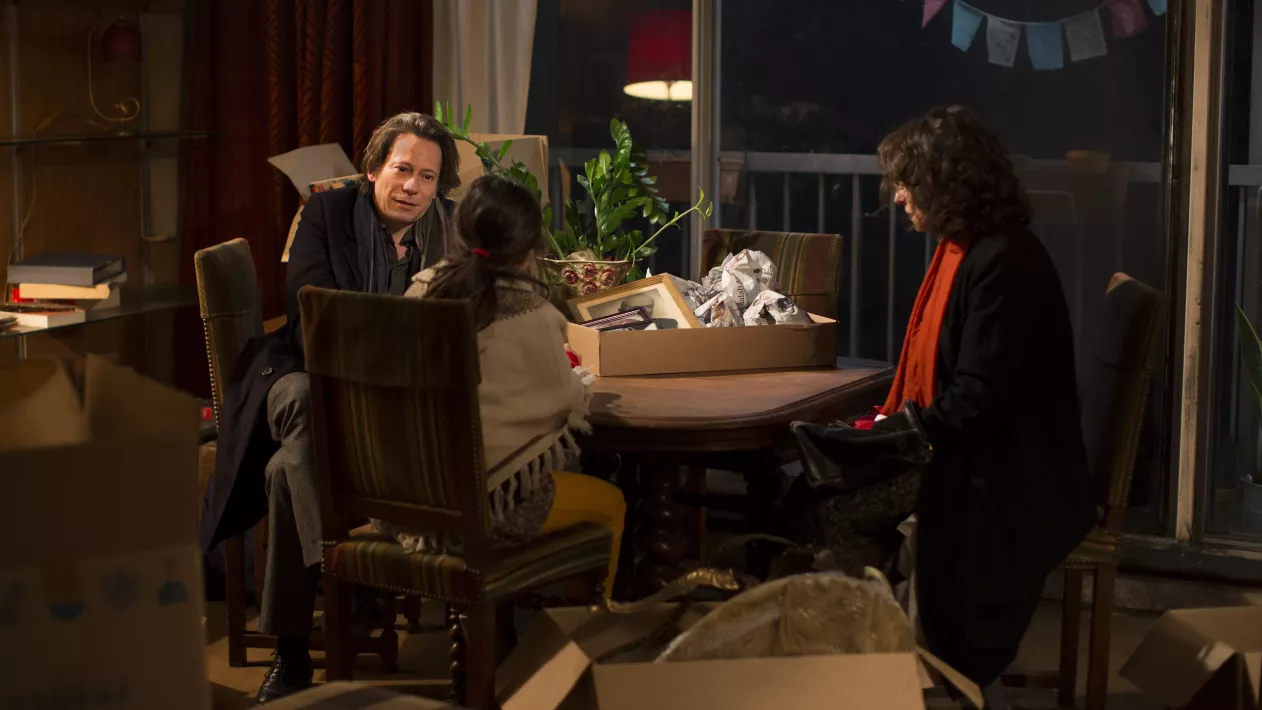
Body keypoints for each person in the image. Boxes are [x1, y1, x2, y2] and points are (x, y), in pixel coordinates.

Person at [779, 106, 1095, 705]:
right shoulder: (973, 252)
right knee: (812, 487)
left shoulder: (1003, 263)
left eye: (906, 183)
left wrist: (892, 437)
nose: (898, 197)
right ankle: (873, 651)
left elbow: (977, 403)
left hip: (1007, 470)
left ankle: (883, 660)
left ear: (945, 183)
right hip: (977, 448)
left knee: (827, 509)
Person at [197, 112, 461, 704]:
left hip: (399, 395)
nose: (413, 186)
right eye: (402, 169)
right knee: (306, 410)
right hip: (304, 369)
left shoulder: (448, 227)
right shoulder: (326, 212)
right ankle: (357, 582)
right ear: (373, 170)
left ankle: (293, 649)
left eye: (427, 176)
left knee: (289, 470)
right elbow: (309, 310)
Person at [393, 174, 626, 600]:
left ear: (459, 232)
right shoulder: (532, 313)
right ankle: (585, 628)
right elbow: (563, 401)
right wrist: (577, 384)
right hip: (488, 510)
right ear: (529, 249)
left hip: (406, 503)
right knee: (611, 502)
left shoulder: (422, 289)